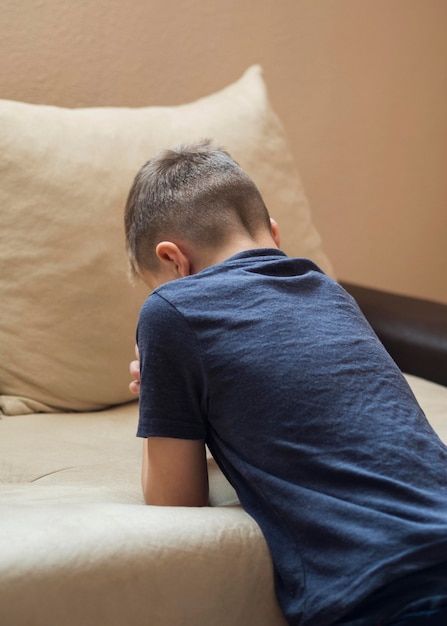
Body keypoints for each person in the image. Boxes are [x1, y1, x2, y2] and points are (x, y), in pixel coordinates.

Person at [125, 139, 447, 626]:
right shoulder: (330, 292)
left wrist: (161, 390)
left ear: (174, 261)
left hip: (386, 590)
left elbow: (176, 498)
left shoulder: (170, 311)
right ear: (274, 235)